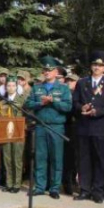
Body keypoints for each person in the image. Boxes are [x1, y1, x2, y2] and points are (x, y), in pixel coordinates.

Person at [72, 51, 104, 203]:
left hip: (101, 128)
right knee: (84, 160)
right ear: (91, 66)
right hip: (84, 127)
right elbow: (75, 103)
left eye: (100, 65)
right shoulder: (82, 82)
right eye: (95, 65)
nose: (97, 68)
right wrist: (81, 108)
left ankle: (98, 191)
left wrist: (98, 111)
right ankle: (84, 189)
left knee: (99, 160)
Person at [25, 57, 72, 199]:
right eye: (45, 70)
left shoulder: (63, 88)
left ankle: (54, 188)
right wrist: (41, 103)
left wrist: (53, 101)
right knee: (40, 157)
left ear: (56, 71)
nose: (46, 72)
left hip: (56, 127)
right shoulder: (37, 87)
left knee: (56, 158)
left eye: (49, 70)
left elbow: (68, 107)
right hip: (40, 126)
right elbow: (28, 104)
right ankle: (40, 187)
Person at [0, 76, 26, 193]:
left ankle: (17, 184)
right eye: (8, 85)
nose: (10, 88)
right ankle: (9, 183)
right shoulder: (2, 101)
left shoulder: (22, 99)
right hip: (6, 132)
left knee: (17, 158)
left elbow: (27, 115)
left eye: (13, 85)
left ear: (17, 87)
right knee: (7, 158)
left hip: (18, 131)